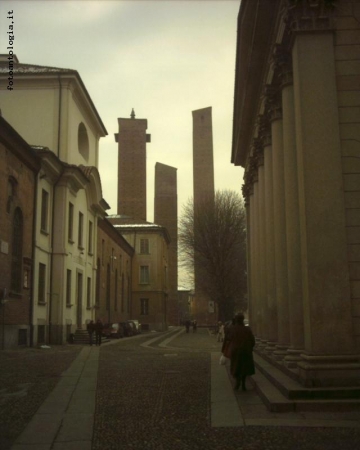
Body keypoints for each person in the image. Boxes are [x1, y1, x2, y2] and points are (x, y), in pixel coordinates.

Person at [228, 313, 255, 391]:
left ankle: (237, 382)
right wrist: (250, 347)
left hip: (236, 351)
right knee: (244, 368)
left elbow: (229, 338)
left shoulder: (233, 329)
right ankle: (243, 383)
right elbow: (252, 340)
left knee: (236, 367)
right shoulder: (247, 329)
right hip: (245, 351)